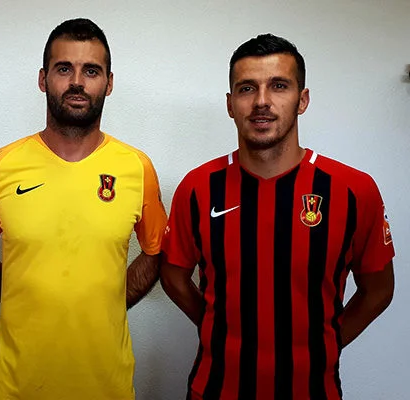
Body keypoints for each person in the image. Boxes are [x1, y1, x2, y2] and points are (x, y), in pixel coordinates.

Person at [161, 33, 395, 400]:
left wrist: (326, 343)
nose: (262, 102)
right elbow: (173, 276)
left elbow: (379, 290)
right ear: (230, 104)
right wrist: (216, 329)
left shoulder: (354, 190)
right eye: (247, 89)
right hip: (215, 390)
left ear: (302, 99)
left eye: (279, 86)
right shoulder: (198, 187)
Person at [0, 18, 167, 400]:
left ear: (109, 83)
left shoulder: (137, 168)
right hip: (15, 388)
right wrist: (23, 297)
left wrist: (110, 301)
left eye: (91, 71)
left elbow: (156, 251)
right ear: (43, 79)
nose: (77, 82)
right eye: (64, 69)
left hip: (107, 389)